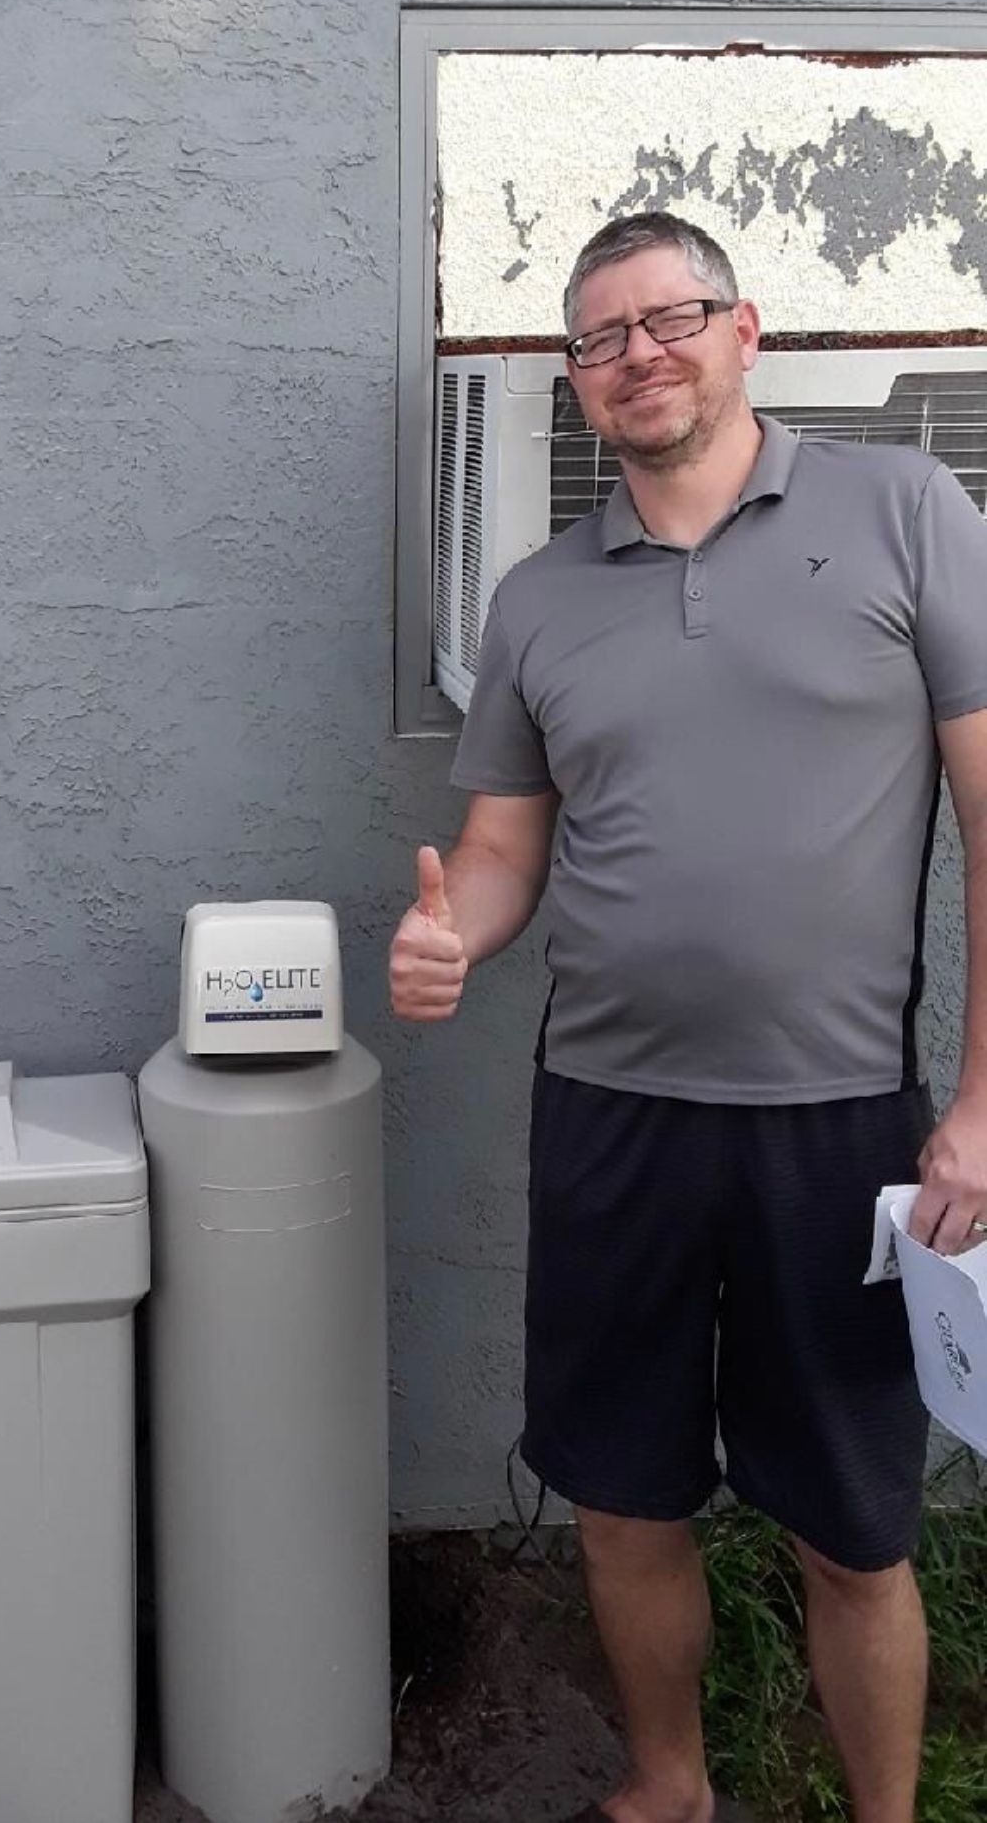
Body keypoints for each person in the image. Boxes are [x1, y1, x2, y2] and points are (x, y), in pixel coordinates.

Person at [389, 210, 987, 1823]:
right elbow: (506, 851)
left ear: (744, 329)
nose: (634, 352)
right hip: (606, 1115)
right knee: (617, 1495)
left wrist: (983, 1102)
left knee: (851, 1523)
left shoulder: (903, 510)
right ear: (574, 379)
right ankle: (669, 1785)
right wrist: (454, 937)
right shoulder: (537, 598)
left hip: (834, 1118)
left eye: (669, 316)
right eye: (597, 337)